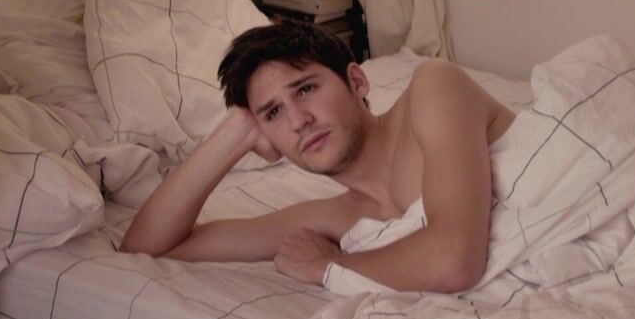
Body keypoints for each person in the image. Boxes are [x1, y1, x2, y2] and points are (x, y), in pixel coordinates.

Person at [119, 21, 516, 293]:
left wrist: (326, 266)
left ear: (356, 81)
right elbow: (145, 245)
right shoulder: (331, 217)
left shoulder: (434, 86)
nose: (298, 121)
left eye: (306, 89)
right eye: (273, 113)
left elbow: (454, 262)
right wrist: (235, 134)